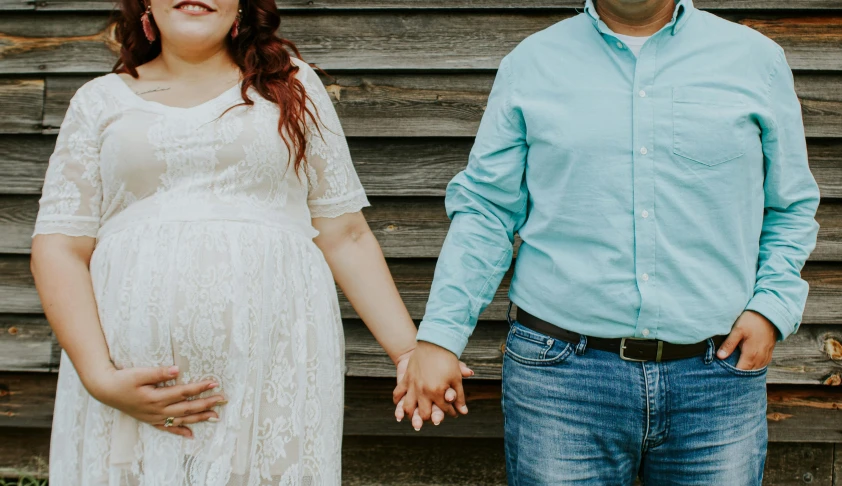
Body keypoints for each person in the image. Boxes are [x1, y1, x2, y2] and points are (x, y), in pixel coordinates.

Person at [30, 0, 468, 483]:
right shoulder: (99, 101)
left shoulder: (292, 86)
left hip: (274, 368)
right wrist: (99, 378)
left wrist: (410, 354)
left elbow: (345, 234)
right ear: (146, 5)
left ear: (240, 7)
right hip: (129, 385)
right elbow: (59, 248)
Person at [393, 0, 820, 484]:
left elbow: (790, 205)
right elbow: (487, 211)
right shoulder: (531, 64)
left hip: (716, 379)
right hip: (560, 381)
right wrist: (439, 337)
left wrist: (771, 307)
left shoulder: (756, 61)